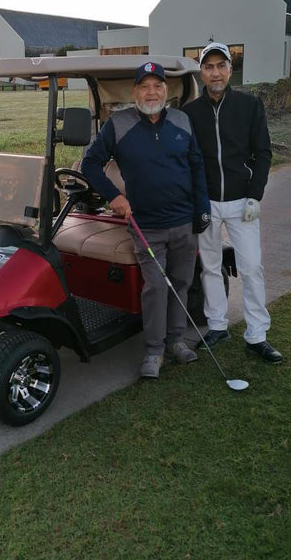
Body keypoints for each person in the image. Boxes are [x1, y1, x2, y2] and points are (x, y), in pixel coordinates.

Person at [81, 61, 211, 379]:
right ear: (135, 91)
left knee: (180, 284)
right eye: (145, 86)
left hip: (183, 222)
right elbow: (91, 164)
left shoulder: (181, 121)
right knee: (156, 287)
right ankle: (154, 351)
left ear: (166, 91)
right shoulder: (119, 124)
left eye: (158, 86)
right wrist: (114, 196)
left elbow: (196, 167)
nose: (151, 91)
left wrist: (202, 209)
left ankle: (176, 341)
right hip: (146, 225)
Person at [185, 42, 282, 363]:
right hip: (207, 203)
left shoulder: (249, 105)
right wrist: (195, 201)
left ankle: (257, 335)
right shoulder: (190, 113)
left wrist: (255, 194)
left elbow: (263, 152)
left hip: (243, 202)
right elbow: (189, 161)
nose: (215, 73)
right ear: (201, 72)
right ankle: (216, 325)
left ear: (230, 69)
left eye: (221, 66)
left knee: (252, 267)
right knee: (210, 267)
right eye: (208, 67)